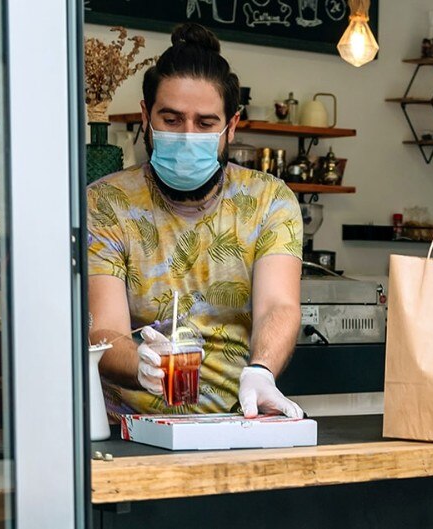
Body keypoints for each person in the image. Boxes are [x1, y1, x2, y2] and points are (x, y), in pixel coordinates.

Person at [87, 23, 304, 419]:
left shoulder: (270, 201)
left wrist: (261, 370)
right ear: (145, 117)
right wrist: (140, 366)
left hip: (240, 420)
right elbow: (105, 329)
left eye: (205, 124)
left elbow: (278, 304)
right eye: (171, 120)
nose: (187, 136)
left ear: (231, 127)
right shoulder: (106, 204)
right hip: (131, 430)